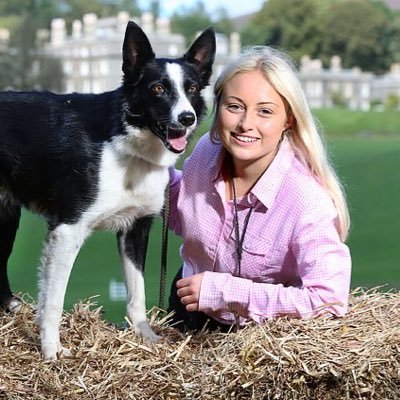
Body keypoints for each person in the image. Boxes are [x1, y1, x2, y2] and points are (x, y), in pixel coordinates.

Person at [166, 45, 351, 332]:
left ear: (288, 118)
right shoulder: (206, 150)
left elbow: (329, 301)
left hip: (260, 340)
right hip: (187, 308)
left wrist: (226, 292)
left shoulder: (307, 200)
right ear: (219, 107)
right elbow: (183, 214)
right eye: (234, 106)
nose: (245, 124)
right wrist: (148, 167)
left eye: (264, 111)